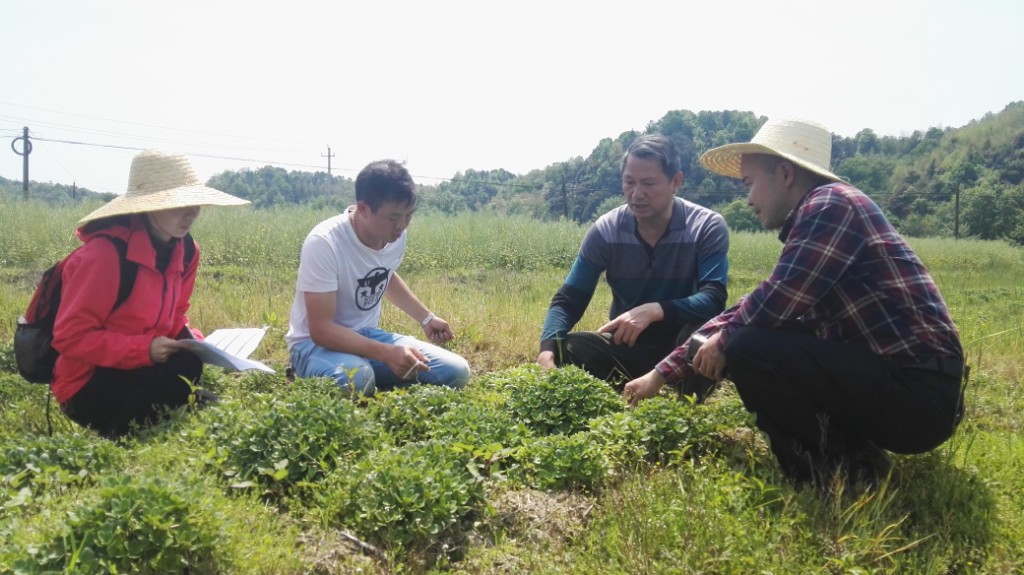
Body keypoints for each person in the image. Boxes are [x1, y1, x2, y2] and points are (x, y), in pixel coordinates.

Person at [623, 118, 965, 487]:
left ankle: (836, 472)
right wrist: (658, 376)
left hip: (918, 394)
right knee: (746, 336)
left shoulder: (832, 204)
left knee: (748, 346)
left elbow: (774, 303)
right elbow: (754, 305)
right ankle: (851, 455)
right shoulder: (821, 217)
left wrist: (726, 340)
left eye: (749, 183)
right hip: (908, 390)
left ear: (784, 174)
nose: (749, 199)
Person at [52, 149, 250, 439]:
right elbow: (71, 337)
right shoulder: (103, 257)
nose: (191, 212)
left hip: (140, 368)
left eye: (195, 203)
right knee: (184, 378)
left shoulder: (186, 252)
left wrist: (193, 341)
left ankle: (156, 418)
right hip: (86, 382)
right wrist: (143, 350)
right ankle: (123, 434)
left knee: (189, 367)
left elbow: (175, 314)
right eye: (180, 203)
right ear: (148, 207)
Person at [537, 134, 729, 400]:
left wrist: (655, 310)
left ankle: (683, 404)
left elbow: (714, 298)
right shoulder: (606, 230)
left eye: (649, 183)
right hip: (627, 345)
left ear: (676, 182)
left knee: (701, 337)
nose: (637, 194)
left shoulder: (706, 227)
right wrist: (547, 350)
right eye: (629, 182)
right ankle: (628, 391)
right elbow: (569, 299)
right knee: (567, 348)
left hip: (680, 347)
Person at [286, 159, 470, 395]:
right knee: (357, 379)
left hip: (366, 337)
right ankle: (344, 379)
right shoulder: (325, 243)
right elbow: (321, 330)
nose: (402, 226)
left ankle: (369, 384)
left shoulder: (395, 236)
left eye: (408, 215)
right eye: (393, 217)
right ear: (363, 209)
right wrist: (386, 353)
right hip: (313, 347)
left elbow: (384, 275)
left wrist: (426, 318)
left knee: (456, 372)